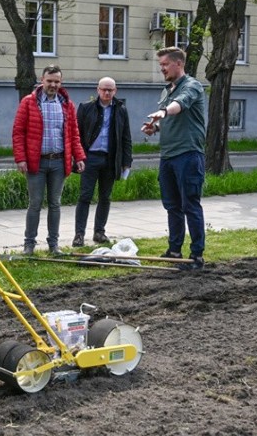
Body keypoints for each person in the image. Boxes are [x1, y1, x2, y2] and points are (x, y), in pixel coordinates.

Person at [141, 47, 206, 270]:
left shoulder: (192, 86)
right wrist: (154, 127)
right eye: (161, 66)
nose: (162, 69)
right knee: (172, 206)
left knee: (190, 204)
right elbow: (165, 117)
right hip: (167, 156)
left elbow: (179, 105)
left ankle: (196, 255)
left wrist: (165, 112)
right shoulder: (166, 90)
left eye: (165, 65)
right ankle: (174, 250)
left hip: (188, 154)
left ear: (178, 63)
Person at [12, 64, 85, 256]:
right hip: (36, 163)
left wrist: (79, 156)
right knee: (35, 203)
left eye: (56, 81)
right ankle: (29, 245)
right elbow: (18, 132)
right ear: (42, 80)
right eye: (49, 81)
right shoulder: (29, 102)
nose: (53, 84)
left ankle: (54, 245)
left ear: (61, 82)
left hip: (59, 162)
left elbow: (74, 134)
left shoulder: (67, 104)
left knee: (55, 204)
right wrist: (21, 158)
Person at [73, 76, 132, 247]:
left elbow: (126, 137)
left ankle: (99, 232)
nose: (107, 92)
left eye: (110, 90)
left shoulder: (121, 109)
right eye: (104, 89)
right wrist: (78, 157)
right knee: (85, 196)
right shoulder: (86, 108)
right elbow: (76, 135)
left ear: (115, 91)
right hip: (90, 158)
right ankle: (79, 234)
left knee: (105, 197)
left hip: (110, 159)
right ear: (97, 90)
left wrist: (126, 161)